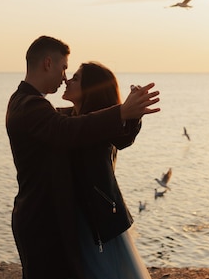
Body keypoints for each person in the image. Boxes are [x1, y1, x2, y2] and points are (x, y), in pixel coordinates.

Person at [6, 36, 160, 279]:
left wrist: (131, 114)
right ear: (48, 63)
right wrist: (122, 111)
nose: (65, 76)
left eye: (71, 73)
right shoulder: (30, 106)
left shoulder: (37, 106)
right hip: (41, 221)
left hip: (60, 223)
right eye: (64, 67)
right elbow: (66, 129)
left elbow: (102, 132)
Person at [62, 62, 151, 279]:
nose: (67, 80)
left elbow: (122, 137)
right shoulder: (67, 119)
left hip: (96, 222)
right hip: (81, 219)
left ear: (91, 89)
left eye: (75, 78)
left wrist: (131, 116)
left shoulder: (97, 127)